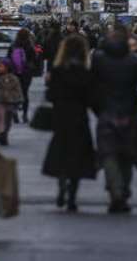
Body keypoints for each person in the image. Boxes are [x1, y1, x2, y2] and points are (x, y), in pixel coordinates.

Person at [91, 25, 137, 213]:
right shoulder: (135, 61)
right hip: (129, 113)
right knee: (126, 156)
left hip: (107, 112)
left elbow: (92, 87)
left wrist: (97, 108)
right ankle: (123, 191)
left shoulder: (99, 59)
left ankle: (115, 190)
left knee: (109, 154)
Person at [42, 34, 97, 212]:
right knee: (77, 158)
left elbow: (50, 96)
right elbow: (91, 99)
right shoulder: (86, 73)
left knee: (62, 154)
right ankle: (72, 197)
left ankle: (61, 187)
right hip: (79, 119)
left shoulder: (57, 71)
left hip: (61, 118)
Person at [7, 28, 36, 123]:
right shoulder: (30, 46)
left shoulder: (13, 45)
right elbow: (34, 59)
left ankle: (15, 112)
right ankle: (25, 115)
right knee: (25, 93)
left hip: (14, 72)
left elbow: (8, 58)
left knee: (15, 93)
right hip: (26, 73)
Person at [0, 59, 23, 146]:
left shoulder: (13, 78)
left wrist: (19, 101)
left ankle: (4, 134)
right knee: (1, 119)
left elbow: (18, 90)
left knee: (8, 121)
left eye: (1, 66)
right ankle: (1, 134)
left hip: (10, 102)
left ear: (7, 67)